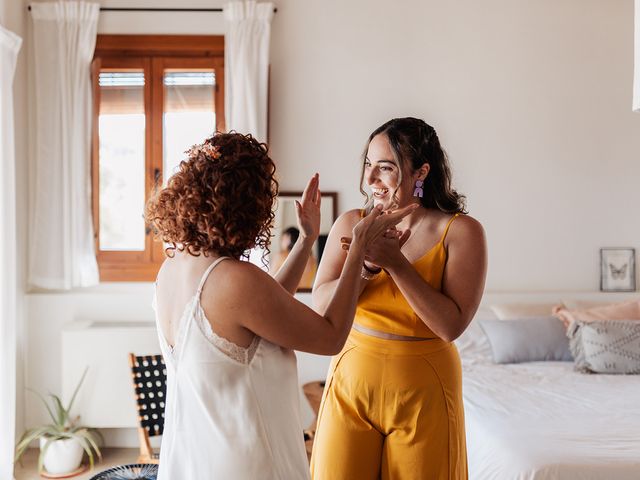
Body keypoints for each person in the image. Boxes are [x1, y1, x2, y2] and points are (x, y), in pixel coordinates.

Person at [144, 132, 416, 480]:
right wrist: (359, 249)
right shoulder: (234, 279)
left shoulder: (173, 269)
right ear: (246, 205)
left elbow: (262, 310)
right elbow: (330, 336)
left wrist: (305, 241)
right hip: (249, 465)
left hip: (193, 461)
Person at [310, 117, 488, 480]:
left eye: (385, 168)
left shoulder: (461, 232)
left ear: (421, 171)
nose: (370, 179)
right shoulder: (350, 224)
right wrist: (366, 268)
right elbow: (322, 305)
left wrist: (395, 264)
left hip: (425, 390)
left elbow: (450, 325)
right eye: (368, 165)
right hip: (351, 382)